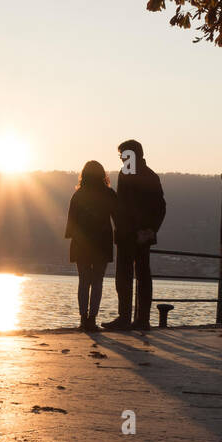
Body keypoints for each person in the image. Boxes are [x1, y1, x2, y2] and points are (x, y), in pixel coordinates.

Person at [103, 139, 166, 331]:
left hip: (128, 234)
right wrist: (150, 229)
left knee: (124, 276)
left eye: (123, 155)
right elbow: (161, 207)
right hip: (143, 235)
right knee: (143, 275)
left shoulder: (126, 174)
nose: (121, 158)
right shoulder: (152, 176)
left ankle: (124, 318)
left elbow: (124, 206)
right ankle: (142, 319)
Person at [65, 160, 118, 332]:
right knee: (97, 282)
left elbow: (71, 222)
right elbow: (118, 217)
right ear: (103, 175)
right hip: (102, 242)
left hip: (82, 242)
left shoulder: (79, 195)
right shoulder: (108, 193)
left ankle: (83, 320)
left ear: (84, 175)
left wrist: (75, 237)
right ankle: (92, 319)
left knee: (84, 281)